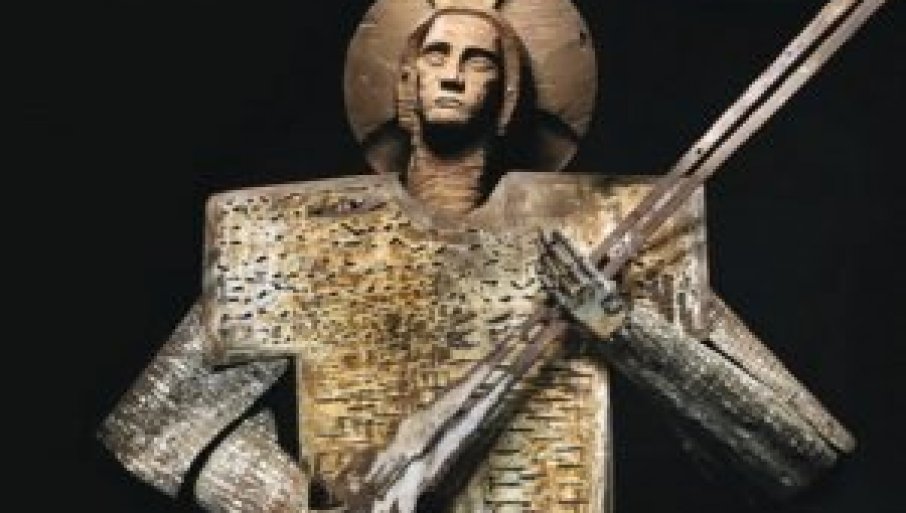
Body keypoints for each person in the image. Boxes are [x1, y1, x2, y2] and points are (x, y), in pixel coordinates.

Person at [100, 3, 853, 512]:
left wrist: (620, 326)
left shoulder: (603, 232)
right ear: (406, 80)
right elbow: (152, 426)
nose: (455, 72)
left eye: (480, 61)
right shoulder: (299, 236)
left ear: (510, 94)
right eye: (437, 53)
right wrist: (294, 502)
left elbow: (797, 453)